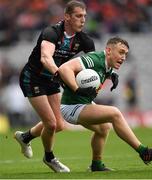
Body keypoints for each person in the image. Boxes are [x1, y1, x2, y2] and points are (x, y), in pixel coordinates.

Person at [14, 0, 119, 173]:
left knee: (60, 125)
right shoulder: (51, 32)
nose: (83, 20)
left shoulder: (85, 40)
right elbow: (45, 58)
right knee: (52, 124)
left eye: (84, 16)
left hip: (53, 80)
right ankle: (50, 158)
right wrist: (59, 74)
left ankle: (25, 137)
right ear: (67, 17)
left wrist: (110, 73)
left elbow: (95, 64)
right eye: (78, 16)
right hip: (33, 78)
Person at [57, 36, 152, 171]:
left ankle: (96, 165)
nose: (124, 57)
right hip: (72, 107)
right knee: (114, 113)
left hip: (83, 104)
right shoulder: (95, 59)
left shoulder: (107, 64)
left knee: (103, 129)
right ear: (108, 51)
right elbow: (64, 69)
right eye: (121, 52)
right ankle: (144, 152)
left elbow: (97, 71)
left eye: (125, 54)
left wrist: (111, 74)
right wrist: (77, 89)